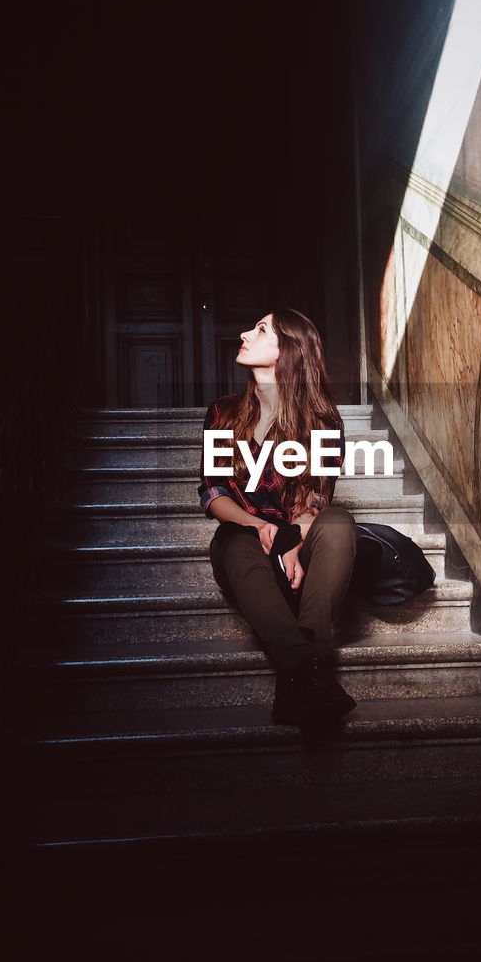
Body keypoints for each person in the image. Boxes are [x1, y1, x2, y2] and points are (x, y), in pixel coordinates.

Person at [197, 308, 358, 728]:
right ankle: (310, 669)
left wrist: (295, 540)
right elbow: (213, 495)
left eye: (261, 329)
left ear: (288, 350)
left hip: (299, 556)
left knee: (339, 521)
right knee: (235, 538)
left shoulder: (323, 420)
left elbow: (317, 499)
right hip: (245, 552)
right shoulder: (222, 413)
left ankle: (301, 672)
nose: (244, 332)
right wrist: (260, 527)